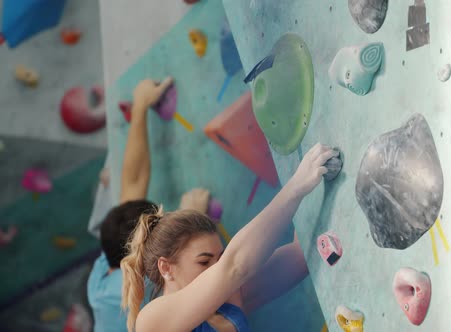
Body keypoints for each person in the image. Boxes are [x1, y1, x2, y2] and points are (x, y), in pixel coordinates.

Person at [121, 143, 338, 332]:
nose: (216, 268)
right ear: (166, 268)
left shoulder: (229, 299)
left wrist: (318, 176)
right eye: (204, 262)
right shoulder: (151, 321)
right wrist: (296, 187)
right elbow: (234, 266)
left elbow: (302, 256)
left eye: (219, 258)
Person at [87, 77, 212, 332]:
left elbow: (132, 186)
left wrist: (140, 107)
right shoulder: (149, 294)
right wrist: (191, 227)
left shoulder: (106, 269)